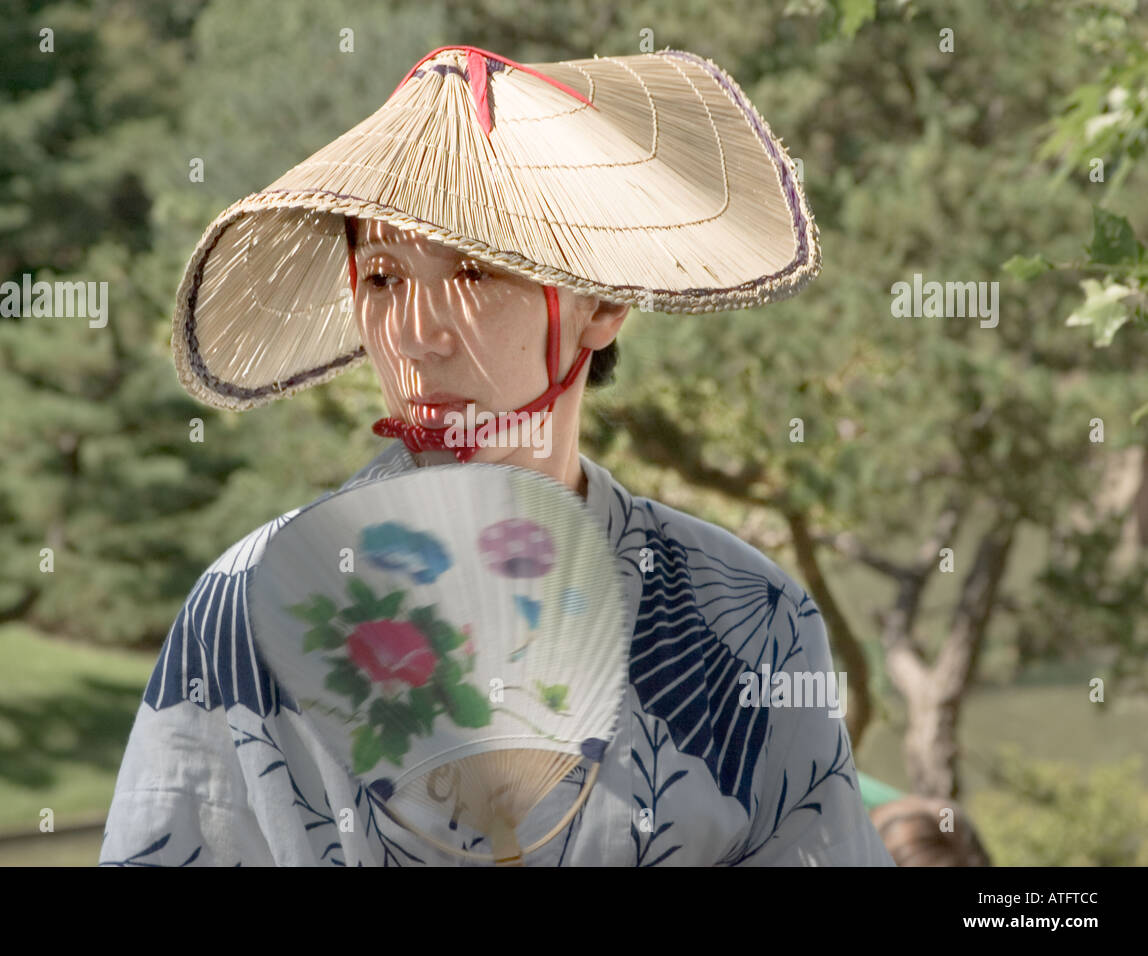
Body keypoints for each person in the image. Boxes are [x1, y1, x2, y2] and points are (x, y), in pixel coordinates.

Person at [101, 45, 894, 866]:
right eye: (381, 278)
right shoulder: (243, 607)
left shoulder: (749, 621)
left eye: (474, 273)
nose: (415, 335)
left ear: (604, 299)